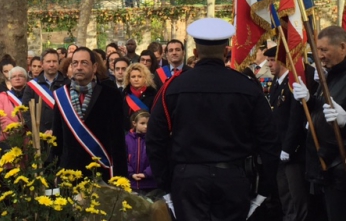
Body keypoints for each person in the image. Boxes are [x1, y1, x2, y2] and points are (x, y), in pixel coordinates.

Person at [147, 18, 280, 221]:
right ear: (226, 51)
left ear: (195, 53)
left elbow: (156, 138)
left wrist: (165, 184)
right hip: (233, 179)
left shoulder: (173, 87)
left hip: (188, 180)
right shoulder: (247, 87)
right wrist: (264, 189)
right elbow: (269, 140)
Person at [292, 26, 346, 221]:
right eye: (318, 50)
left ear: (342, 47)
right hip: (323, 167)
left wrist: (345, 121)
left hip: (340, 168)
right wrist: (310, 100)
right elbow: (325, 109)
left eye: (324, 50)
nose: (319, 56)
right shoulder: (329, 75)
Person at [51, 47, 127, 181]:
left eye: (84, 63)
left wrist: (120, 177)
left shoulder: (111, 95)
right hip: (70, 173)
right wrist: (53, 171)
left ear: (95, 67)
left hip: (101, 173)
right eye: (75, 63)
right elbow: (57, 138)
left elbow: (118, 140)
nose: (79, 67)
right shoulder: (61, 95)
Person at [264, 46, 310, 221]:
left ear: (282, 60)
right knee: (284, 193)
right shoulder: (277, 83)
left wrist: (289, 148)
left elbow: (295, 119)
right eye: (267, 60)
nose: (269, 64)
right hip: (279, 147)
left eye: (272, 60)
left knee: (296, 194)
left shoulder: (292, 82)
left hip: (292, 151)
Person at [23, 49, 68, 133]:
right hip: (39, 135)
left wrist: (56, 130)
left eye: (54, 61)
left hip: (62, 134)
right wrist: (41, 131)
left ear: (59, 63)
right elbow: (26, 111)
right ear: (42, 64)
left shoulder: (67, 84)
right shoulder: (31, 86)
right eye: (48, 61)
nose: (51, 64)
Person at [0, 67, 27, 148]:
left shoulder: (31, 96)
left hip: (28, 138)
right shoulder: (1, 96)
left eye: (21, 76)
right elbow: (0, 117)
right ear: (10, 80)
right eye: (14, 76)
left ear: (26, 79)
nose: (17, 78)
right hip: (8, 138)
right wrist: (15, 127)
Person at [126, 111, 156, 194]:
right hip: (130, 183)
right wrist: (131, 173)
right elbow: (122, 159)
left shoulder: (154, 140)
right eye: (142, 123)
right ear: (134, 123)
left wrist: (146, 174)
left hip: (150, 184)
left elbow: (157, 159)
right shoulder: (127, 139)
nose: (146, 126)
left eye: (148, 123)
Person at [122, 63, 156, 128]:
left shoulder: (152, 94)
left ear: (145, 78)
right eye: (133, 77)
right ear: (129, 79)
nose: (136, 79)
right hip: (127, 132)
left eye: (139, 76)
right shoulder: (124, 94)